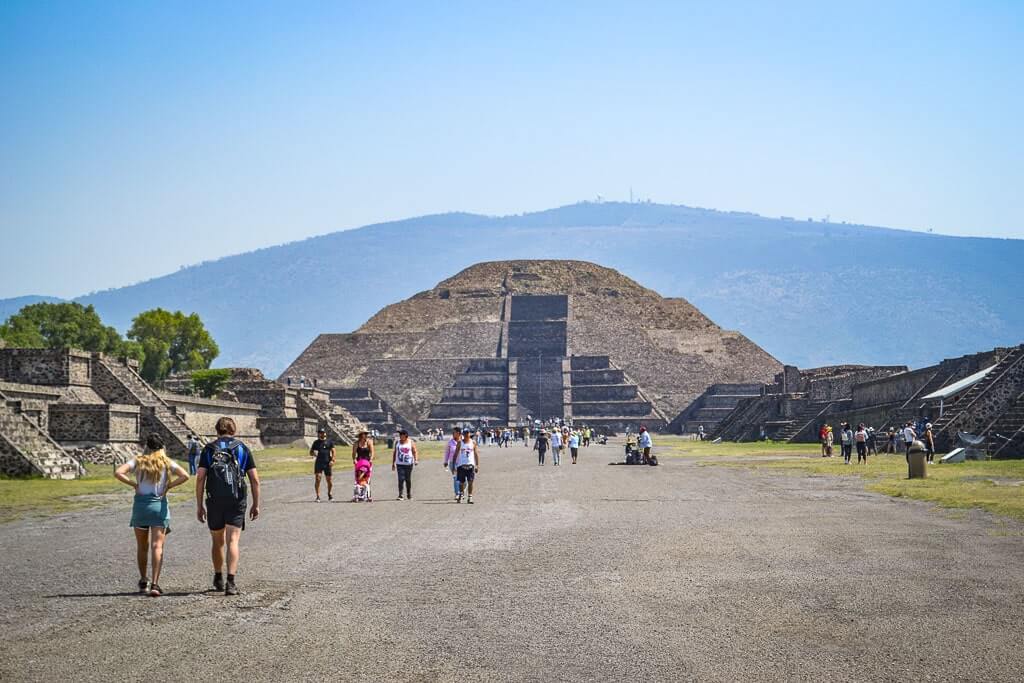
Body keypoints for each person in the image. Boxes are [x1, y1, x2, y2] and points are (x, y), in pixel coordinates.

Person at [115, 434, 189, 597]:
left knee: (142, 546)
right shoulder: (166, 462)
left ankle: (143, 580)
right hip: (158, 506)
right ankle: (155, 583)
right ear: (162, 447)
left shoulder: (139, 460)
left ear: (147, 446)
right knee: (157, 546)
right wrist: (169, 486)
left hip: (141, 506)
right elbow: (185, 475)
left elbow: (118, 472)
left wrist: (134, 484)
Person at [195, 417, 260, 597]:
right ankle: (231, 582)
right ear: (233, 430)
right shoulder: (241, 448)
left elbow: (200, 477)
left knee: (217, 541)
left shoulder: (208, 449)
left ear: (217, 430)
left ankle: (218, 577)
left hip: (214, 500)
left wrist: (199, 505)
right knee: (233, 541)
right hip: (236, 500)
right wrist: (256, 504)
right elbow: (254, 479)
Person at [309, 428, 335, 502]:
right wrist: (313, 453)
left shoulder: (329, 442)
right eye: (320, 433)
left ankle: (329, 494)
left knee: (329, 480)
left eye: (322, 432)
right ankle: (318, 496)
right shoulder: (316, 442)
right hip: (319, 462)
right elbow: (311, 452)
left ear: (325, 433)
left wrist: (333, 460)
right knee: (318, 479)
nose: (321, 434)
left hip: (327, 463)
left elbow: (333, 451)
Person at [455, 428, 480, 504]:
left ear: (469, 434)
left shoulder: (473, 442)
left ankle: (470, 497)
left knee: (470, 482)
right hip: (461, 465)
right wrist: (454, 464)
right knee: (461, 483)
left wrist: (477, 465)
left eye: (467, 433)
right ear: (463, 434)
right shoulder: (460, 442)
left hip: (470, 465)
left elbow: (476, 454)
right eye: (465, 433)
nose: (466, 435)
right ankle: (461, 494)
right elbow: (456, 453)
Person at [391, 429, 418, 500]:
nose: (400, 436)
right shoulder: (397, 442)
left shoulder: (410, 442)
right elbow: (395, 453)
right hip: (399, 464)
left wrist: (416, 460)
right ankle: (400, 495)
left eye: (401, 435)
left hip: (408, 463)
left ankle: (409, 494)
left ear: (405, 435)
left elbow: (414, 451)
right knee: (400, 479)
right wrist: (393, 463)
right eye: (399, 435)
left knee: (407, 479)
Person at [352, 430, 375, 501]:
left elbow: (372, 452)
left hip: (367, 463)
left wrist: (371, 459)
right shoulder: (356, 443)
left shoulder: (369, 442)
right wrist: (354, 459)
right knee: (358, 478)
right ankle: (357, 494)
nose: (365, 435)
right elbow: (354, 453)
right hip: (359, 463)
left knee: (367, 478)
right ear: (360, 435)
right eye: (364, 434)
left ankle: (368, 494)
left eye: (366, 434)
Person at [443, 427, 462, 500]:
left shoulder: (463, 441)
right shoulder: (450, 442)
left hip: (462, 463)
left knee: (464, 480)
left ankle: (461, 491)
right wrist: (445, 461)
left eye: (454, 432)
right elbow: (447, 452)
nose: (453, 434)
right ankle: (457, 494)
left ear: (458, 433)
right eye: (452, 432)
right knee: (456, 478)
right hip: (453, 463)